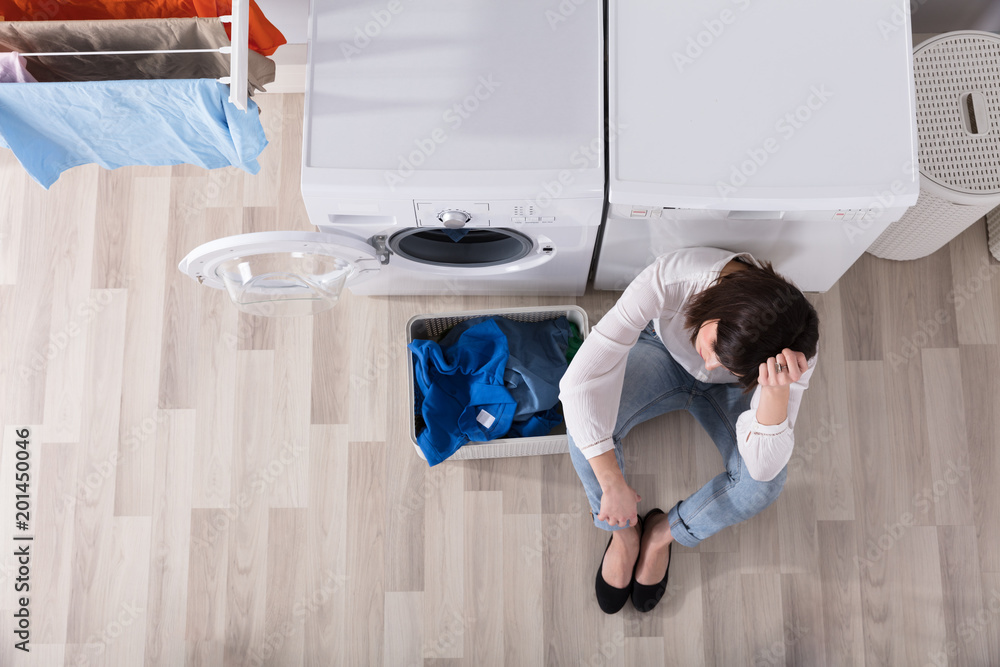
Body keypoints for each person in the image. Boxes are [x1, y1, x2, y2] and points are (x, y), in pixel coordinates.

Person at [559, 247, 820, 614]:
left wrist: (776, 390)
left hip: (737, 393)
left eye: (729, 363)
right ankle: (623, 535)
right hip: (662, 354)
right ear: (718, 307)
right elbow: (578, 384)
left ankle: (661, 535)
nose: (711, 364)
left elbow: (762, 469)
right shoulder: (673, 277)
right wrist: (612, 482)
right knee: (583, 426)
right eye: (715, 347)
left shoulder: (794, 352)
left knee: (764, 485)